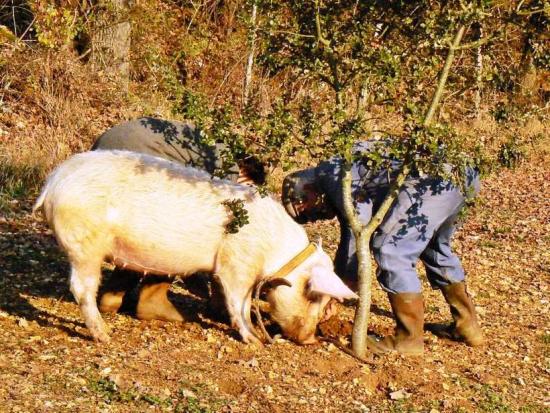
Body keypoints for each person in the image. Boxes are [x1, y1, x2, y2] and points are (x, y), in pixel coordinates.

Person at [281, 140, 484, 355]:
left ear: (305, 192)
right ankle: (468, 327)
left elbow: (357, 229)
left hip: (435, 180)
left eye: (306, 212)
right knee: (435, 248)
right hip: (463, 174)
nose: (315, 217)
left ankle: (408, 340)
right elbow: (351, 232)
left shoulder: (331, 176)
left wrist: (338, 289)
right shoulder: (335, 168)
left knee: (391, 249)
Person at [93, 117, 266, 322]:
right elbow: (204, 230)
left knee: (142, 227)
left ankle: (113, 294)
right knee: (171, 227)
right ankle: (152, 301)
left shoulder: (213, 145)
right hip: (132, 156)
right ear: (246, 174)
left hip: (105, 151)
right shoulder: (228, 170)